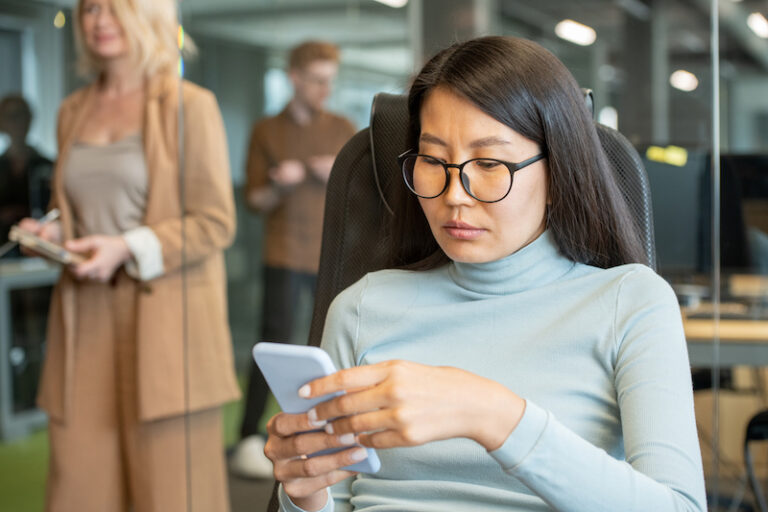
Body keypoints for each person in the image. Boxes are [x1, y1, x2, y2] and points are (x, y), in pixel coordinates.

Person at [264, 36, 707, 512]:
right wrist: (305, 493)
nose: (455, 193)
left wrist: (492, 415)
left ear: (558, 174)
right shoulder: (362, 307)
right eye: (433, 161)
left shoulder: (630, 302)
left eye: (490, 163)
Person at [17, 0, 239, 510]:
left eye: (115, 8)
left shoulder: (190, 105)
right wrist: (48, 231)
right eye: (90, 9)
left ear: (148, 16)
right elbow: (75, 209)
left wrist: (126, 247)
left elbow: (215, 221)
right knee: (81, 487)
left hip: (167, 326)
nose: (98, 20)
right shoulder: (72, 110)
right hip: (84, 323)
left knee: (170, 493)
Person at [231, 40, 357, 478]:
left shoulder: (343, 128)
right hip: (283, 253)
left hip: (330, 256)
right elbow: (254, 200)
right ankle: (247, 436)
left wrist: (336, 172)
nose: (325, 89)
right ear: (295, 78)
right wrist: (283, 185)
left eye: (330, 81)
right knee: (273, 342)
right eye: (318, 80)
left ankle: (330, 436)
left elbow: (363, 198)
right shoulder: (266, 131)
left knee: (329, 343)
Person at [0, 95, 53, 255]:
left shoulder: (47, 166)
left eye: (22, 115)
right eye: (11, 116)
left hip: (40, 248)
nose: (18, 122)